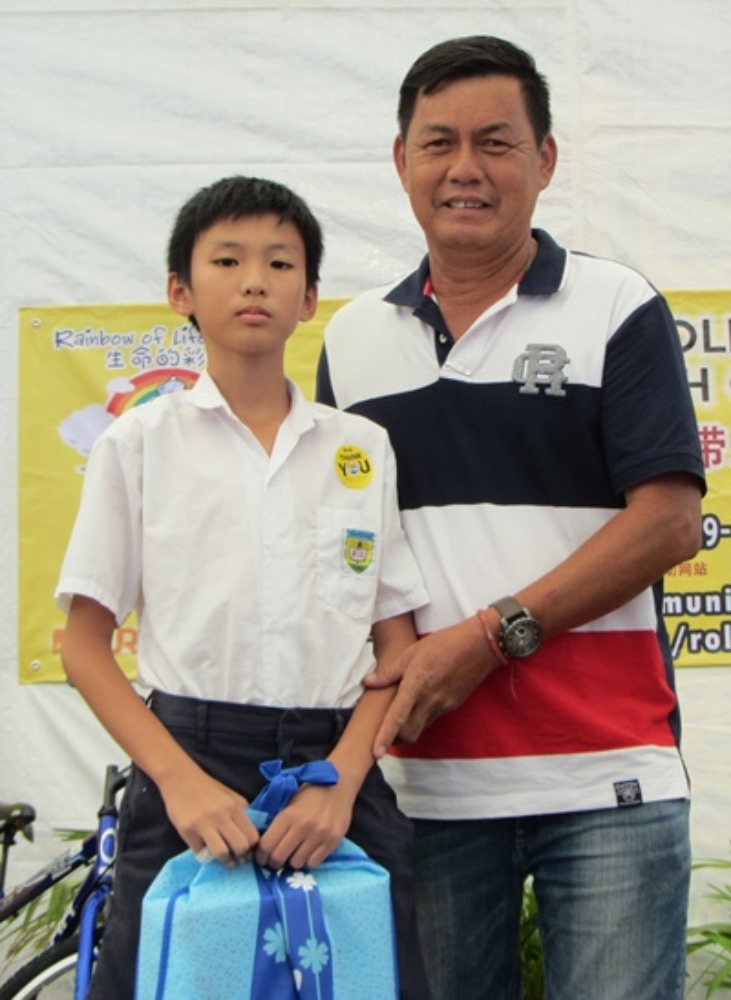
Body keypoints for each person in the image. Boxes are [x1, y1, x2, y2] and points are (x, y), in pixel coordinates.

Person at [316, 35, 705, 1000]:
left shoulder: (615, 306)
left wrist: (491, 635)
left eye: (495, 142)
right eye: (438, 143)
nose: (465, 169)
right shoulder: (352, 342)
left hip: (608, 776)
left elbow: (668, 522)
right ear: (400, 160)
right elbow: (353, 548)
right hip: (427, 787)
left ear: (545, 159)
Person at [56, 175, 431, 1000]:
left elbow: (396, 645)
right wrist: (179, 782)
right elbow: (82, 646)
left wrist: (341, 784)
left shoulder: (359, 448)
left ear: (310, 298)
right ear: (180, 291)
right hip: (188, 761)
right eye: (227, 260)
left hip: (335, 772)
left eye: (279, 263)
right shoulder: (138, 444)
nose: (254, 280)